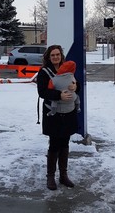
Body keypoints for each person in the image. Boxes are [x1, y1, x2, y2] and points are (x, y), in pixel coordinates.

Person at [37, 45, 79, 190]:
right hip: (53, 114)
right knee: (54, 145)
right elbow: (42, 92)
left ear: (61, 56)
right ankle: (50, 177)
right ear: (48, 57)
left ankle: (63, 175)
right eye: (52, 55)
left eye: (57, 55)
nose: (55, 57)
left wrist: (75, 87)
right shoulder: (43, 72)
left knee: (65, 144)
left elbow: (75, 83)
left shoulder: (67, 69)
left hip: (68, 113)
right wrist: (58, 95)